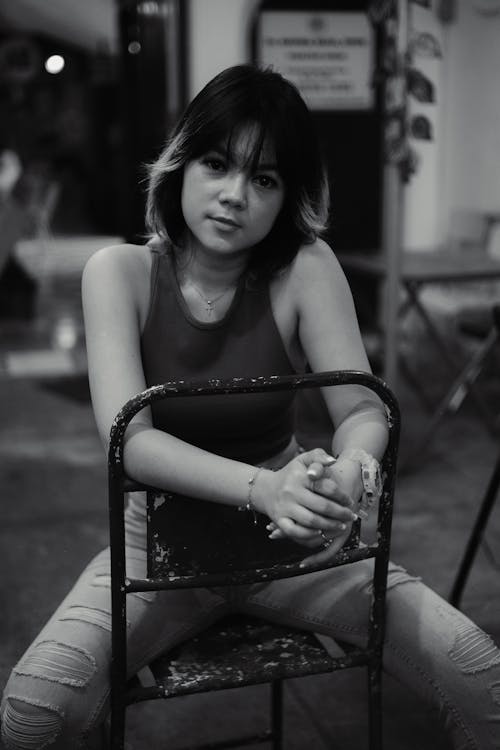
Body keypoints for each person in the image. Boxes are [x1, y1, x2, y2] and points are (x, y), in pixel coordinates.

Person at [2, 64, 500, 750]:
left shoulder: (305, 267)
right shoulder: (118, 274)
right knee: (33, 715)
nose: (234, 196)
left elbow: (362, 408)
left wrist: (350, 471)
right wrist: (265, 488)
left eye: (263, 179)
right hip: (162, 550)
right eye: (216, 164)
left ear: (286, 195)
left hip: (297, 547)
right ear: (181, 165)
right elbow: (132, 443)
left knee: (479, 674)